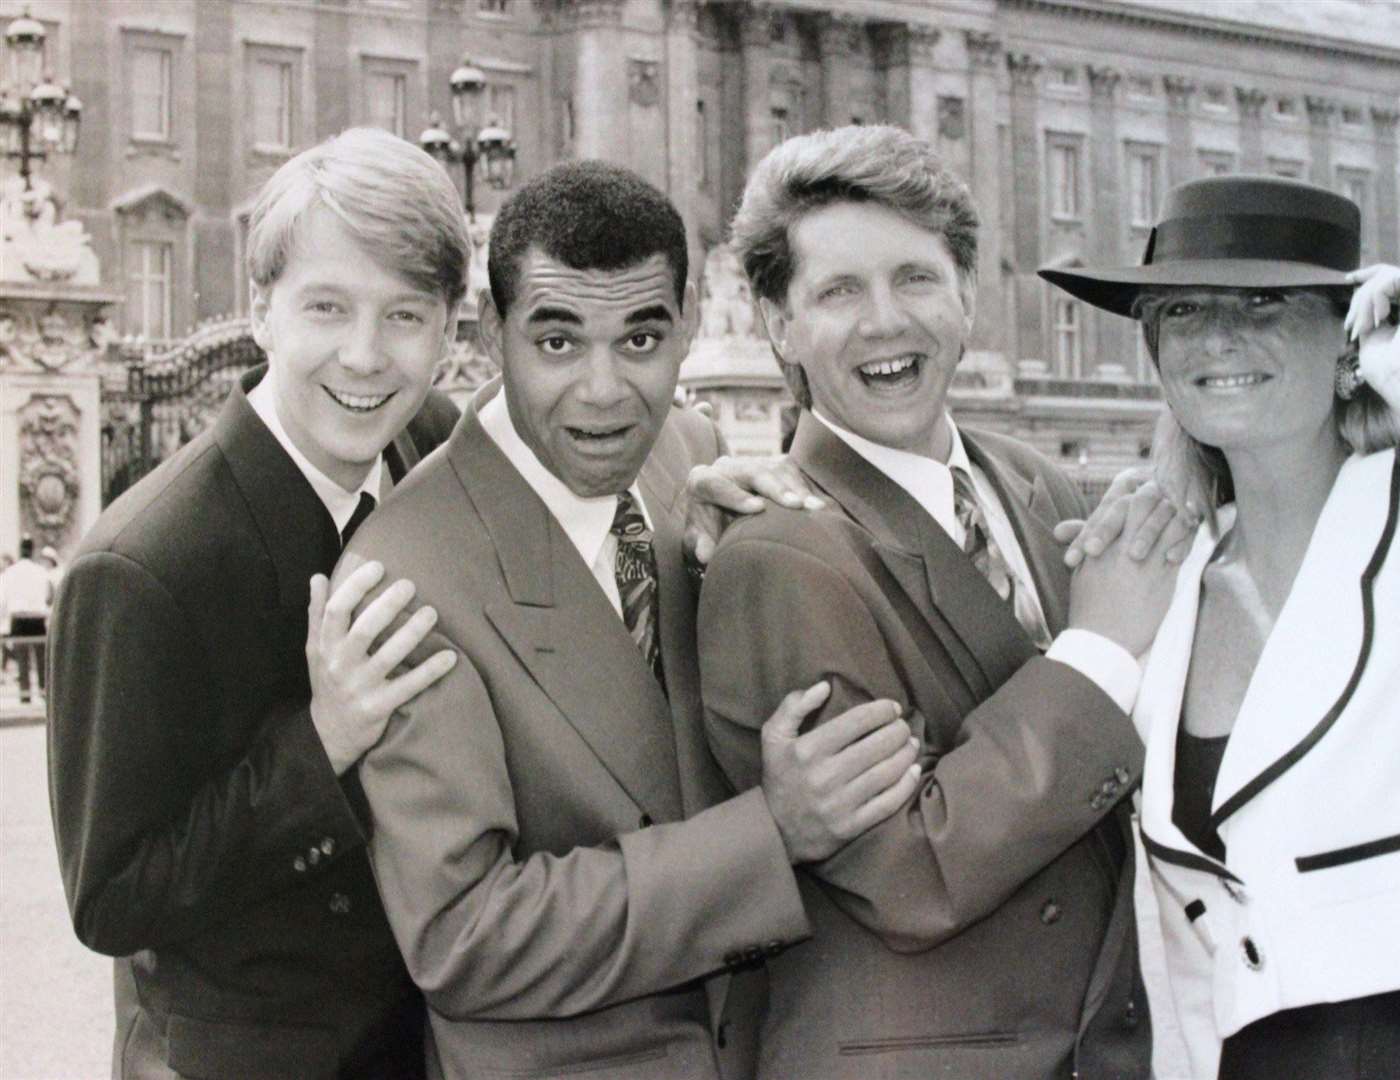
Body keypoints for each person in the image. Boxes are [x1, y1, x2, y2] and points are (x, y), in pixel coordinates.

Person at [1042, 174, 1400, 1080]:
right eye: (1184, 311)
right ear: (1157, 352)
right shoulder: (1166, 577)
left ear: (1350, 341)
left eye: (1267, 303)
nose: (1219, 338)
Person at [346, 160, 922, 1080]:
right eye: (560, 342)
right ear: (492, 334)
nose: (607, 392)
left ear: (691, 323)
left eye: (643, 339)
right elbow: (462, 937)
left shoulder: (685, 453)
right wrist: (773, 833)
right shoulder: (400, 576)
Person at [697, 124, 1190, 1079]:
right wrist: (1099, 652)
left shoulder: (1041, 486)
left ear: (968, 293)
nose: (886, 322)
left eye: (915, 278)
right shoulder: (775, 551)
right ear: (777, 325)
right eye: (838, 291)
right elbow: (910, 868)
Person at [48, 127, 473, 1079]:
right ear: (259, 311)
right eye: (327, 306)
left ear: (450, 331)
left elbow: (564, 463)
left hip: (429, 1039)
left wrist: (700, 491)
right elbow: (111, 896)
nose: (365, 358)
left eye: (405, 315)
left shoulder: (430, 440)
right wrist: (319, 743)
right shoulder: (139, 564)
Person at [0, 535, 51, 703]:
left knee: (22, 659)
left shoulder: (10, 572)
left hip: (19, 618)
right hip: (37, 617)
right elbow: (47, 595)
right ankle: (43, 690)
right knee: (41, 658)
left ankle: (25, 693)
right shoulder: (41, 571)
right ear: (32, 550)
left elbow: (3, 599)